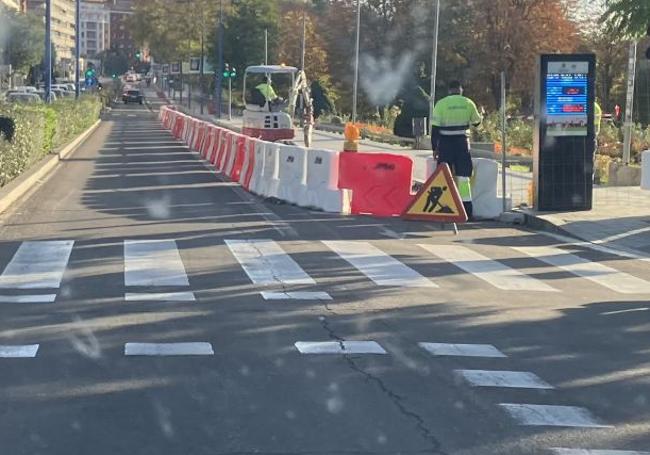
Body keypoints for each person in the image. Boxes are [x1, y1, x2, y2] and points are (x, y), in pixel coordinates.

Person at [430, 80, 482, 219]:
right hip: (462, 144)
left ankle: (442, 208)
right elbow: (477, 123)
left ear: (449, 90)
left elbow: (435, 129)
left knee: (444, 176)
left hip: (445, 144)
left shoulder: (441, 104)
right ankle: (467, 211)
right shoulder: (468, 103)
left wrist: (435, 148)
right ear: (461, 89)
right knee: (464, 178)